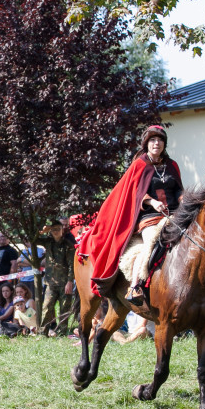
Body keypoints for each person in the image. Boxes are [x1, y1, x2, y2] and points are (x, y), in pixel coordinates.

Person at [77, 125, 183, 306]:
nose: (156, 143)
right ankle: (134, 286)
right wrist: (151, 202)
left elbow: (178, 189)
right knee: (151, 241)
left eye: (160, 140)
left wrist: (185, 199)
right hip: (149, 218)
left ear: (164, 144)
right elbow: (134, 193)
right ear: (146, 144)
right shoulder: (139, 165)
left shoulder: (172, 166)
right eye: (152, 140)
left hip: (174, 215)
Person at [35, 219, 76, 335]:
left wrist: (70, 281)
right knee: (47, 307)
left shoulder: (68, 244)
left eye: (58, 229)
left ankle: (62, 332)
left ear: (63, 230)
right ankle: (43, 333)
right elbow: (32, 239)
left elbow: (71, 265)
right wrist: (42, 231)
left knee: (64, 308)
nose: (56, 232)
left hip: (64, 282)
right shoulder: (48, 242)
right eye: (53, 230)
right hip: (50, 282)